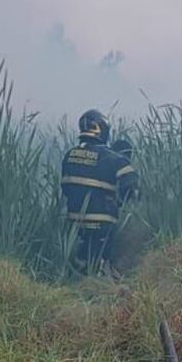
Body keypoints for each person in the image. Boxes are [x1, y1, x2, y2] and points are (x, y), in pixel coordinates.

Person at [61, 110, 139, 276]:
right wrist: (121, 202)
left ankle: (79, 273)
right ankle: (103, 274)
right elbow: (131, 186)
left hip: (74, 219)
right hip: (102, 220)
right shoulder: (113, 158)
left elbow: (66, 188)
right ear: (102, 130)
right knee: (101, 251)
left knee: (85, 254)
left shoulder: (69, 155)